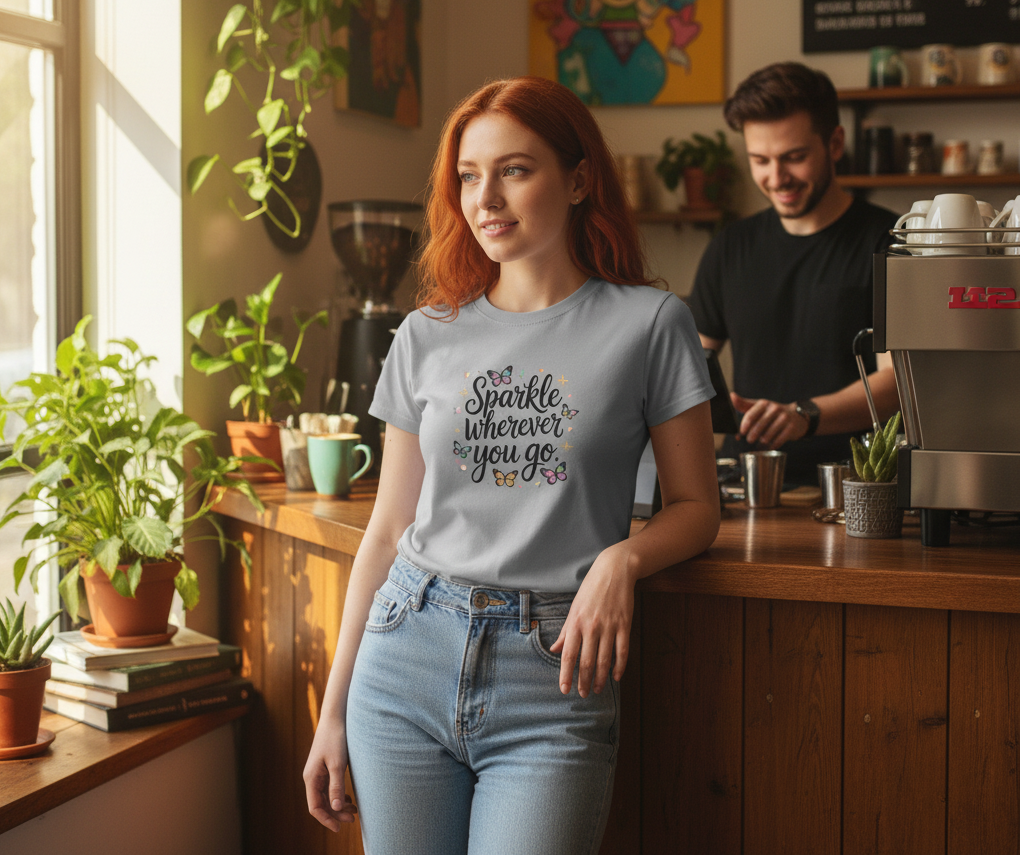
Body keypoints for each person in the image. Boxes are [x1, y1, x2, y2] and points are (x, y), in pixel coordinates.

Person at [302, 76, 721, 855]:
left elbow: (698, 505)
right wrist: (332, 712)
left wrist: (622, 559)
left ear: (579, 178)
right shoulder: (426, 332)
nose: (485, 197)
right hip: (405, 654)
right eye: (468, 175)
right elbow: (388, 529)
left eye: (515, 170)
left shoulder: (651, 324)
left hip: (553, 673)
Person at [687, 62, 900, 484]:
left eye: (794, 157)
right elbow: (687, 364)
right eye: (760, 160)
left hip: (856, 487)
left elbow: (896, 382)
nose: (776, 178)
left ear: (835, 143)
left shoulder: (889, 241)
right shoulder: (729, 247)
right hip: (744, 483)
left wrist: (804, 416)